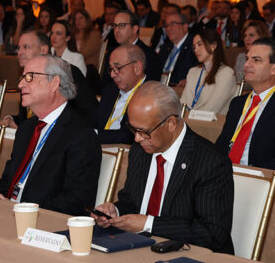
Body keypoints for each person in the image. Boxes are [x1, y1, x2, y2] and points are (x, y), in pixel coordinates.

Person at [95, 82, 235, 253]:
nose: (137, 139)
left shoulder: (211, 162)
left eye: (144, 131)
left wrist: (148, 223)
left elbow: (212, 233)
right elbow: (132, 201)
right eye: (133, 129)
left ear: (171, 123)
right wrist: (116, 212)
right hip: (141, 247)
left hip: (191, 255)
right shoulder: (140, 150)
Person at [0, 54, 100, 213]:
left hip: (41, 220)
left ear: (54, 83)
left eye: (29, 77)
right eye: (22, 77)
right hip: (8, 212)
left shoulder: (81, 135)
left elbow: (76, 201)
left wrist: (26, 211)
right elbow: (8, 181)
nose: (21, 84)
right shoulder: (26, 128)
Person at [216, 38, 275, 172]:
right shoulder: (237, 103)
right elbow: (221, 146)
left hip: (258, 178)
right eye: (247, 58)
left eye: (256, 60)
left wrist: (247, 174)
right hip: (224, 174)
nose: (246, 64)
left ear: (274, 69)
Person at [96, 44, 146, 145]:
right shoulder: (111, 90)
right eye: (111, 69)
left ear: (137, 68)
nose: (112, 75)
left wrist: (94, 135)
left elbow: (129, 136)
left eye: (118, 68)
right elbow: (96, 121)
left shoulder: (149, 95)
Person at [178, 28, 237, 114]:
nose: (195, 50)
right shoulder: (193, 72)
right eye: (194, 47)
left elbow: (212, 108)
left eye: (199, 44)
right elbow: (183, 103)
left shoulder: (227, 73)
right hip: (189, 118)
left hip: (211, 121)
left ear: (213, 46)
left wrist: (189, 115)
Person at [158, 11, 196, 89]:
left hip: (179, 88)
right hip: (160, 87)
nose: (168, 28)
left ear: (185, 26)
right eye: (166, 25)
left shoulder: (194, 46)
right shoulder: (165, 47)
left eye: (173, 24)